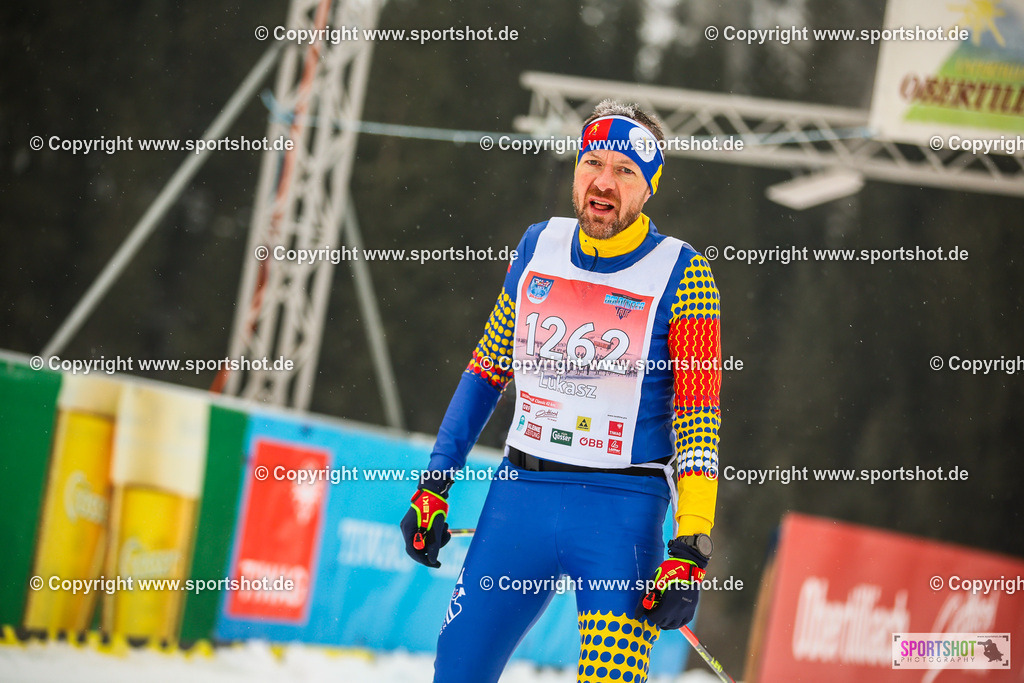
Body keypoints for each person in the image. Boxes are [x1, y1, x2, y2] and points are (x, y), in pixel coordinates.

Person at [401, 100, 722, 683]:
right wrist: (434, 484)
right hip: (520, 496)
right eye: (593, 161)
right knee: (456, 673)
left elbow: (699, 421)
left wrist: (691, 546)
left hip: (622, 515)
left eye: (625, 171)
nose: (603, 181)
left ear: (649, 187)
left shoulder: (684, 272)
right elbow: (486, 370)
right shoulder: (537, 247)